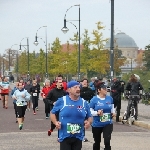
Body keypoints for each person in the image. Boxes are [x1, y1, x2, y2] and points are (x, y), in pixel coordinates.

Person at [50, 80, 92, 150]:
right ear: (69, 90)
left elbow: (90, 117)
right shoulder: (62, 101)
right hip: (65, 136)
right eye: (75, 87)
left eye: (79, 87)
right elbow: (52, 113)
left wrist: (89, 122)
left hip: (78, 136)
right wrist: (55, 122)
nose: (78, 89)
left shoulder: (84, 103)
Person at [90, 82, 115, 150]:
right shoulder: (94, 100)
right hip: (97, 124)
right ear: (99, 90)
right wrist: (97, 113)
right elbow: (90, 111)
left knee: (107, 141)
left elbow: (112, 107)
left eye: (106, 88)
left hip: (108, 123)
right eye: (103, 88)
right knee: (97, 142)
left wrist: (113, 112)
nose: (105, 90)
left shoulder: (110, 98)